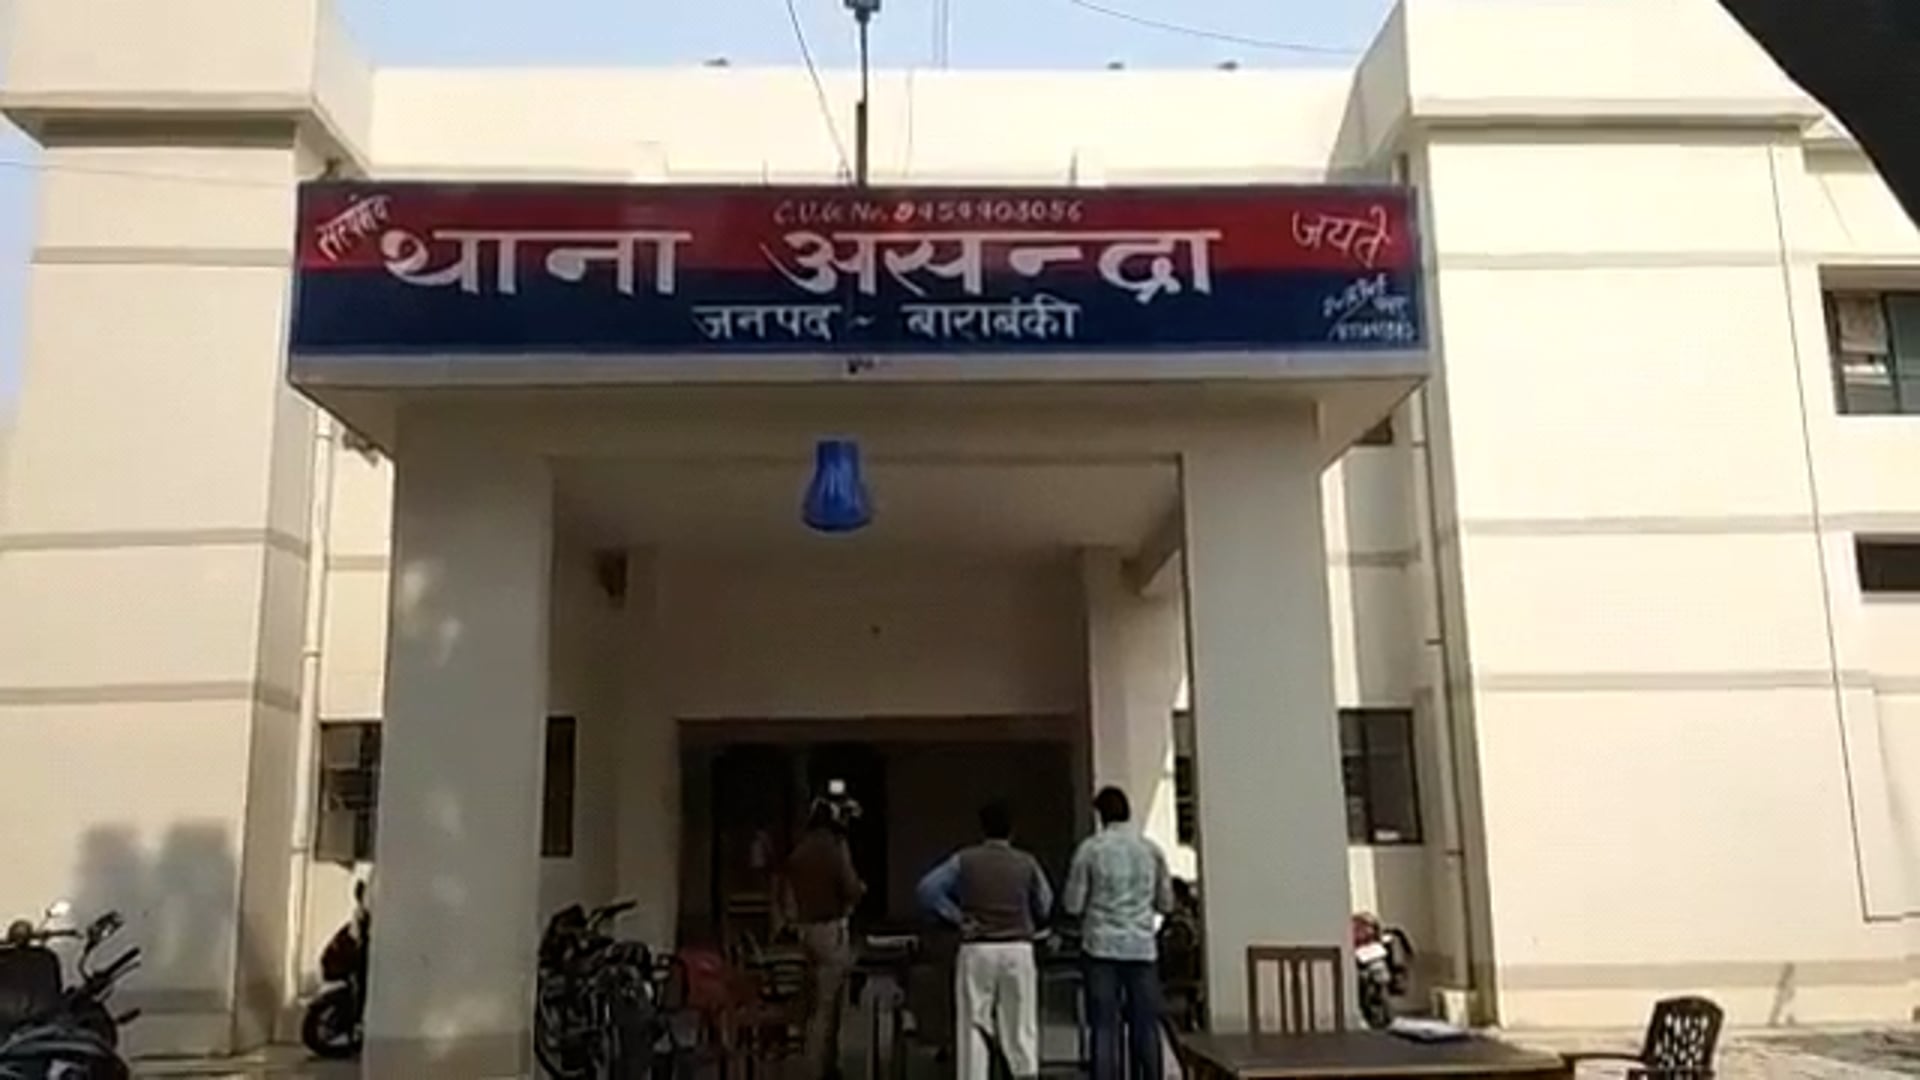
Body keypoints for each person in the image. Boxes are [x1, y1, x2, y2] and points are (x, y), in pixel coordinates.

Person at [916, 801, 1055, 1080]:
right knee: (1020, 1027)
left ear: (982, 828)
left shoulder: (964, 860)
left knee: (973, 1025)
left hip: (977, 948)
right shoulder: (1026, 862)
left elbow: (927, 889)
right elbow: (1045, 901)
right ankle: (1024, 1074)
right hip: (1018, 948)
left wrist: (957, 917)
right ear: (1013, 830)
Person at [1064, 787, 1175, 1080]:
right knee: (1145, 1025)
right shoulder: (1151, 850)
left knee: (1104, 1026)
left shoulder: (1090, 850)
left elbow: (1073, 904)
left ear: (1100, 815)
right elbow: (1166, 903)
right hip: (1141, 948)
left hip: (1100, 947)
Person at [785, 797, 866, 1080]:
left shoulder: (800, 850)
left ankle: (816, 1063)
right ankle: (821, 1067)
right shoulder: (835, 848)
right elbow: (849, 887)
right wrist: (860, 890)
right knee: (829, 1004)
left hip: (806, 928)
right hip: (831, 928)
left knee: (813, 1001)